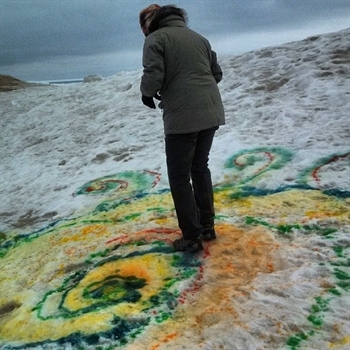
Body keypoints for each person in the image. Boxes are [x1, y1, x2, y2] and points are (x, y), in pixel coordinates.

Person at [139, 4, 225, 253]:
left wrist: (147, 94)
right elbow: (215, 73)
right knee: (200, 168)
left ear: (149, 24)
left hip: (182, 119)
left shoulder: (156, 39)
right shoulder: (199, 38)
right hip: (210, 112)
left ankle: (191, 236)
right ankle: (207, 225)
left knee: (179, 176)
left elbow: (153, 74)